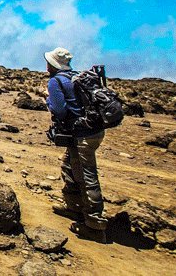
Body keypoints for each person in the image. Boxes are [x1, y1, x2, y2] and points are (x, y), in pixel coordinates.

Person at [44, 47, 108, 241]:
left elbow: (60, 110)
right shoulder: (77, 77)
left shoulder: (56, 81)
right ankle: (73, 207)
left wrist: (48, 99)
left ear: (53, 65)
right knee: (69, 166)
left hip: (82, 135)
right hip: (93, 131)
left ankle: (94, 225)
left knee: (85, 174)